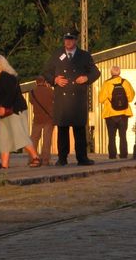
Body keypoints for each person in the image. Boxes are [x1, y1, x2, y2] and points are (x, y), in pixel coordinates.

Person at [42, 30, 100, 166]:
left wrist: (86, 78)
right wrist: (55, 79)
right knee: (63, 130)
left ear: (76, 40)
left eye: (71, 39)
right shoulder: (57, 54)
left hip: (78, 99)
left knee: (79, 130)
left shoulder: (84, 56)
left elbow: (96, 72)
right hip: (62, 100)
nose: (68, 41)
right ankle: (62, 158)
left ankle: (82, 158)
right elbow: (45, 72)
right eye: (66, 39)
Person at [0, 54, 42, 169]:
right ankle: (4, 165)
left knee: (20, 136)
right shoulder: (5, 77)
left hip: (14, 111)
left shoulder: (5, 76)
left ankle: (35, 157)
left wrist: (3, 107)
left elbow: (11, 93)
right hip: (5, 113)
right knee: (4, 139)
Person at [98, 65, 135, 159]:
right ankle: (123, 155)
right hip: (124, 114)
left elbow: (101, 99)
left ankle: (112, 155)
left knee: (111, 136)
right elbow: (130, 98)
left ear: (111, 72)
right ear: (119, 73)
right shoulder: (125, 82)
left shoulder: (106, 83)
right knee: (123, 136)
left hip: (110, 114)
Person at [29, 75, 55, 166]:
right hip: (49, 119)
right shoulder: (50, 91)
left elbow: (31, 102)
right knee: (47, 140)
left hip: (37, 118)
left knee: (34, 139)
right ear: (45, 82)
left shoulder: (32, 92)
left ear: (36, 82)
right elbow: (55, 100)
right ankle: (45, 160)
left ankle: (32, 158)